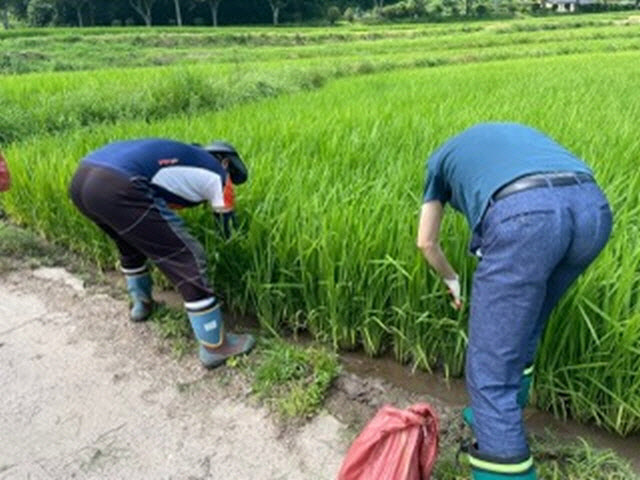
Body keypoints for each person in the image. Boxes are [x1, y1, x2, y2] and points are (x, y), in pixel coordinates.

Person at [416, 122, 612, 479]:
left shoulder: (439, 160)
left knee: (489, 371)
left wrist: (453, 280)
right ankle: (501, 420)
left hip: (524, 217)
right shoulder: (516, 135)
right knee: (528, 321)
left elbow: (426, 242)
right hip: (593, 211)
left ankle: (497, 428)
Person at [69, 138, 255, 369]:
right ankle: (216, 346)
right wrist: (240, 251)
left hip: (81, 180)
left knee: (129, 242)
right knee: (188, 257)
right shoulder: (220, 175)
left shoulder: (180, 157)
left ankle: (142, 304)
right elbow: (228, 228)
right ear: (226, 162)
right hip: (119, 185)